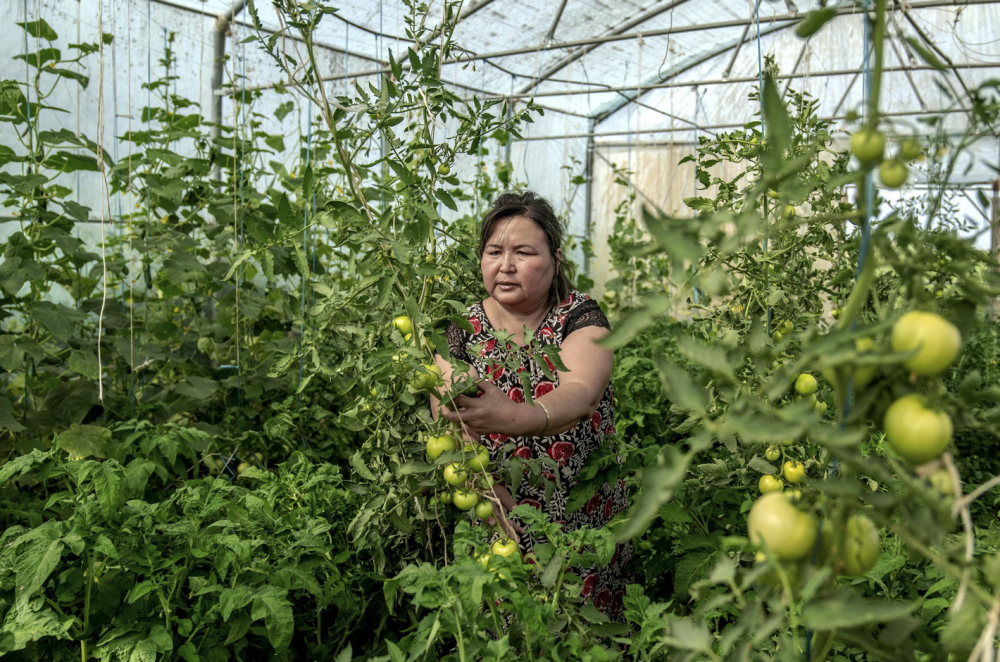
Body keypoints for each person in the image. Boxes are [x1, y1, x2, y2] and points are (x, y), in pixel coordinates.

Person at [431, 191, 632, 621]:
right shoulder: (460, 329)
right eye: (494, 252)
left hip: (580, 517)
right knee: (506, 631)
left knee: (581, 630)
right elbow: (446, 418)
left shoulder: (579, 316)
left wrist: (515, 416)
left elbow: (582, 392)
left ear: (556, 259)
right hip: (495, 513)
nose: (505, 266)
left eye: (523, 252)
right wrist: (488, 493)